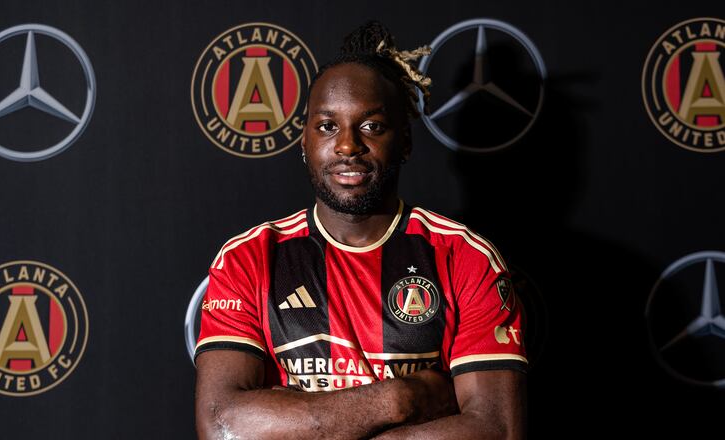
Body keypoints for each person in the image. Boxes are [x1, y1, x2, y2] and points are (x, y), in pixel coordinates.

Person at [194, 21, 527, 439]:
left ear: (404, 142)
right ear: (304, 142)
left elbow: (497, 430)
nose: (348, 146)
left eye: (371, 126)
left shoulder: (465, 257)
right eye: (328, 126)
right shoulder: (250, 258)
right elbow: (222, 425)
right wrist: (403, 398)